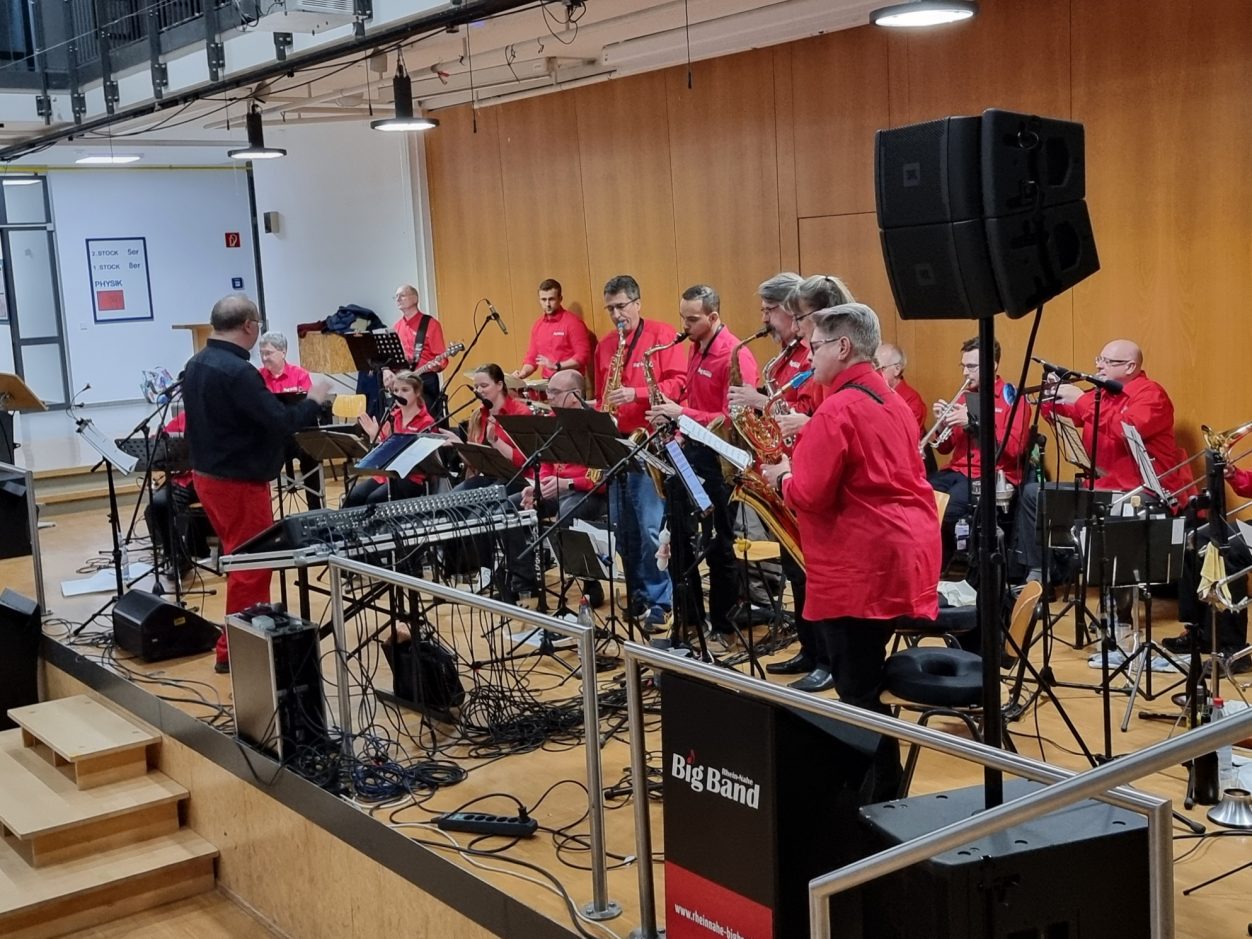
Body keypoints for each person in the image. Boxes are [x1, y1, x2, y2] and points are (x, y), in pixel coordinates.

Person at [761, 302, 939, 800]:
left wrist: (783, 476)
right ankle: (879, 785)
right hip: (902, 553)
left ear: (843, 347)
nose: (810, 357)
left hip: (863, 565)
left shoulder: (839, 406)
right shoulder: (888, 398)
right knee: (864, 678)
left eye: (814, 346)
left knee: (856, 690)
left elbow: (811, 493)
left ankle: (877, 797)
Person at [182, 295, 330, 673]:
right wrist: (313, 400)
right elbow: (280, 423)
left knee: (241, 558)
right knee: (252, 564)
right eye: (258, 326)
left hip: (208, 475)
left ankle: (246, 638)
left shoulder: (196, 363)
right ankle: (233, 651)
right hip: (237, 481)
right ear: (249, 326)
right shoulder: (238, 372)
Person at [728, 273, 825, 685]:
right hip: (783, 468)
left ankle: (827, 659)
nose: (765, 319)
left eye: (770, 310)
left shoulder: (814, 354)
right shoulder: (783, 358)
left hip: (808, 469)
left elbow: (817, 414)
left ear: (791, 310)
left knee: (812, 571)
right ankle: (808, 649)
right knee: (795, 571)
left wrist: (761, 401)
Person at [647, 284, 759, 640]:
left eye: (692, 319)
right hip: (690, 453)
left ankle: (725, 627)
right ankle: (691, 621)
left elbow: (734, 419)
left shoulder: (735, 355)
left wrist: (683, 413)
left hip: (721, 461)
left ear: (713, 316)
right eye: (682, 317)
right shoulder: (695, 348)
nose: (685, 326)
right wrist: (672, 416)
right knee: (679, 540)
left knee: (719, 546)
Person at [594, 274, 686, 630]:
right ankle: (639, 594)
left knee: (650, 527)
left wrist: (638, 394)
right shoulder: (606, 346)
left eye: (621, 306)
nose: (617, 314)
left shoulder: (662, 336)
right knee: (623, 528)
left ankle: (661, 599)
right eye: (610, 308)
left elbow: (680, 383)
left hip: (651, 442)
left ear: (637, 303)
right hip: (617, 444)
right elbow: (606, 392)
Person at [1041, 339, 1193, 501]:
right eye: (1099, 359)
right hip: (1103, 485)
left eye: (1107, 362)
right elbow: (1069, 415)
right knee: (1033, 493)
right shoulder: (1103, 392)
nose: (1099, 366)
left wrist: (1080, 399)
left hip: (1140, 490)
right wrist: (1051, 396)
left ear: (1130, 366)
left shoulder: (1152, 395)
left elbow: (1126, 429)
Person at [928, 337, 1031, 534]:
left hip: (990, 474)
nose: (965, 372)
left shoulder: (1013, 398)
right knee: (917, 497)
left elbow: (1014, 450)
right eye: (963, 366)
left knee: (949, 509)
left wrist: (976, 424)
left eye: (972, 366)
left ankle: (950, 560)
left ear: (992, 365)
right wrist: (941, 425)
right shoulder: (964, 395)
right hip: (957, 471)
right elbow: (945, 447)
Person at [344, 370, 443, 507]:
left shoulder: (426, 421)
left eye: (405, 390)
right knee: (354, 496)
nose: (399, 394)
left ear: (417, 392)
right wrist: (375, 437)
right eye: (396, 390)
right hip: (386, 475)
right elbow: (383, 451)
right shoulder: (392, 417)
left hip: (411, 478)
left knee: (374, 500)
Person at [258, 330, 321, 509]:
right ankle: (266, 512)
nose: (264, 357)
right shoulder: (258, 376)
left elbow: (308, 408)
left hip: (299, 434)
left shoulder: (299, 374)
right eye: (262, 353)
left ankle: (314, 509)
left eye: (268, 353)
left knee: (310, 455)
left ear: (283, 352)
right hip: (273, 437)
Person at [459, 363, 530, 488]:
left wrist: (495, 442)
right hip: (488, 477)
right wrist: (459, 446)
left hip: (515, 479)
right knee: (450, 501)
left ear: (499, 385)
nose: (479, 391)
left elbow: (523, 461)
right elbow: (476, 462)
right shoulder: (479, 414)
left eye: (484, 386)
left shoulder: (520, 413)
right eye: (476, 387)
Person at [511, 279, 592, 381]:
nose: (547, 304)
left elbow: (582, 356)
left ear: (560, 299)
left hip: (570, 382)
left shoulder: (573, 323)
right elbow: (532, 359)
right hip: (547, 383)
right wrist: (521, 374)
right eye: (543, 300)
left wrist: (557, 366)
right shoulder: (538, 325)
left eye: (551, 299)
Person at [393, 284, 448, 410]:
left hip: (425, 380)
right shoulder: (396, 327)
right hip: (404, 381)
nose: (398, 299)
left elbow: (442, 357)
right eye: (396, 297)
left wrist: (437, 365)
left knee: (427, 420)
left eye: (402, 295)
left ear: (414, 299)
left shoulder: (430, 324)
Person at [875, 342, 926, 435]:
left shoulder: (913, 401)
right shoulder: (872, 393)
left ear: (897, 369)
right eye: (873, 368)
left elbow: (901, 437)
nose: (875, 374)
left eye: (881, 369)